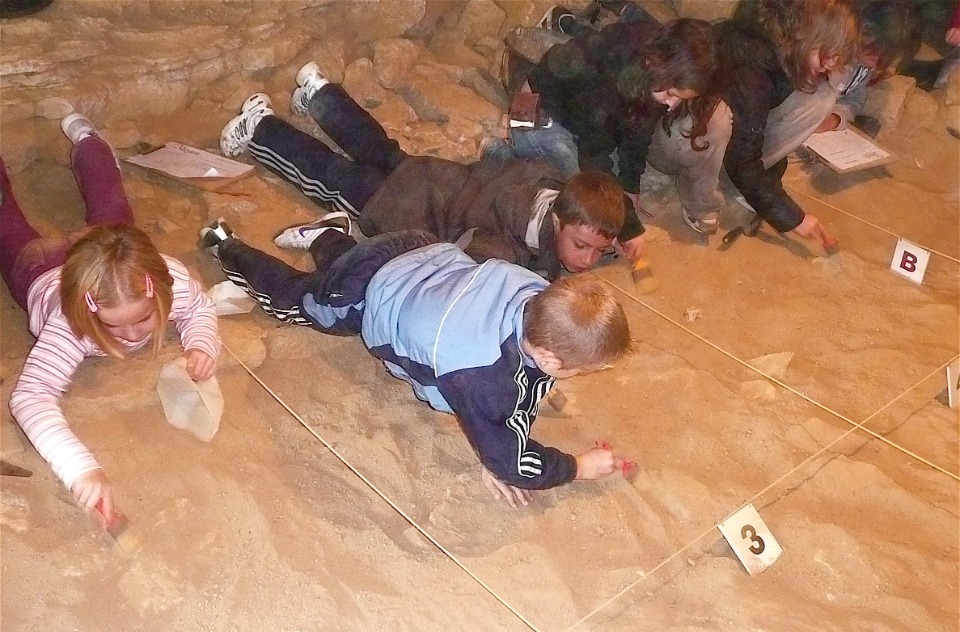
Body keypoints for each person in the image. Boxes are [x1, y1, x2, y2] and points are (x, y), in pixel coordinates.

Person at [198, 218, 633, 507]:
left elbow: (525, 370)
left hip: (418, 249)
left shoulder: (539, 294)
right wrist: (577, 467)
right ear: (548, 356)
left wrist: (545, 385)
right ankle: (224, 245)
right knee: (298, 301)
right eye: (579, 369)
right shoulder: (483, 377)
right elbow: (510, 459)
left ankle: (330, 236)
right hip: (366, 291)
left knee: (354, 259)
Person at [218, 62, 645, 279]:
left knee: (376, 146)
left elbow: (602, 212)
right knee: (329, 177)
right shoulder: (510, 244)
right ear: (557, 221)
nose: (587, 260)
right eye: (581, 246)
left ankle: (320, 93)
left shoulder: (549, 183)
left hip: (430, 176)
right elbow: (472, 268)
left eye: (594, 249)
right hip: (395, 208)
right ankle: (261, 130)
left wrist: (621, 236)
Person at [2, 115, 222, 522]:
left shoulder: (169, 280)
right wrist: (81, 467)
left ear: (157, 289)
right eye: (112, 326)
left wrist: (201, 342)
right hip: (42, 274)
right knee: (6, 226)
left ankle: (86, 137)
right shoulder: (71, 323)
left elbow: (200, 308)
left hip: (108, 253)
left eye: (141, 320)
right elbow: (29, 397)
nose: (131, 335)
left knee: (112, 204)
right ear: (90, 313)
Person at [495, 17, 717, 228]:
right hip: (541, 110)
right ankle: (498, 153)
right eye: (670, 94)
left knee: (599, 197)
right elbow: (593, 152)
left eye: (680, 98)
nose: (671, 105)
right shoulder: (612, 71)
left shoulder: (655, 73)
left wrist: (630, 184)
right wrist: (626, 223)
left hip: (583, 113)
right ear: (652, 64)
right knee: (583, 198)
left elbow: (639, 127)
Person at [676, 0, 860, 245]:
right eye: (827, 54)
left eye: (836, 58)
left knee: (822, 96)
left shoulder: (788, 48)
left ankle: (743, 184)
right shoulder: (753, 64)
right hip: (690, 126)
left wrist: (770, 185)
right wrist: (792, 217)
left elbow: (758, 121)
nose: (830, 65)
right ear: (807, 37)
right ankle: (701, 195)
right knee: (717, 124)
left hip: (738, 122)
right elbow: (742, 157)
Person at [814, 0, 921, 136]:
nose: (876, 66)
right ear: (864, 29)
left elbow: (855, 97)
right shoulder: (829, 49)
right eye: (876, 56)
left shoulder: (863, 66)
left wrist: (836, 118)